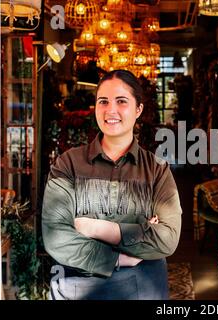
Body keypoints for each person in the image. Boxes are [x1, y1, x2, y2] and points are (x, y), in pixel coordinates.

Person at [42, 70, 182, 300]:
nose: (111, 110)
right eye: (103, 101)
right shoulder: (69, 164)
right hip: (78, 290)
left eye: (121, 101)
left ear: (139, 109)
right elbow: (56, 236)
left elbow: (167, 239)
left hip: (143, 289)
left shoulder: (157, 170)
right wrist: (121, 256)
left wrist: (96, 228)